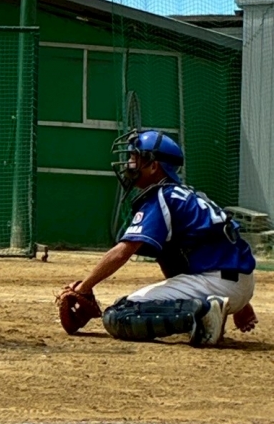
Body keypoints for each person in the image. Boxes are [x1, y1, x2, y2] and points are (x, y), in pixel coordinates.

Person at [58, 129, 257, 347]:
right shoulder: (187, 195)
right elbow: (176, 256)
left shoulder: (161, 196)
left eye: (134, 157)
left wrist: (84, 287)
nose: (129, 164)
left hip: (215, 280)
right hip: (236, 280)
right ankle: (210, 307)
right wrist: (241, 302)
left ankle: (204, 312)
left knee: (120, 314)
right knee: (153, 300)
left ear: (154, 166)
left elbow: (123, 251)